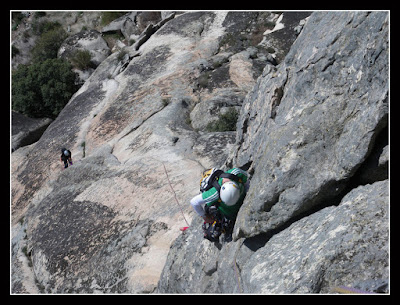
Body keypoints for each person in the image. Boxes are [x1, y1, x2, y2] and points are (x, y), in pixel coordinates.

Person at [190, 167, 249, 241]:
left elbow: (246, 178)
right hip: (229, 213)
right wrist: (205, 216)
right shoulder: (214, 193)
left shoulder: (235, 174)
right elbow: (194, 202)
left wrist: (248, 190)